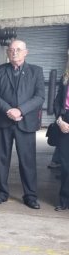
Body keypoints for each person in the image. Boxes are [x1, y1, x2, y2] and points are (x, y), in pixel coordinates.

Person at [0, 39, 45, 209]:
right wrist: (9, 110)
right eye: (11, 50)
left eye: (18, 50)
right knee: (1, 159)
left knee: (27, 160)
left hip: (25, 121)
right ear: (7, 52)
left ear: (26, 52)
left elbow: (40, 96)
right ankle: (0, 193)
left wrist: (20, 110)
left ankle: (30, 196)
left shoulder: (36, 71)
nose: (15, 52)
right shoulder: (0, 71)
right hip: (3, 120)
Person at [53, 53, 69, 211]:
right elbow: (57, 102)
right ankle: (64, 201)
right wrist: (59, 120)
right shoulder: (65, 80)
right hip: (65, 122)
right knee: (66, 166)